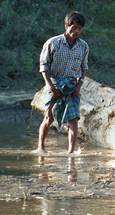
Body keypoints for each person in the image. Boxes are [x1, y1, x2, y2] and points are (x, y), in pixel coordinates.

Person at [36, 11, 89, 154]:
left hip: (72, 85)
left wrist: (79, 84)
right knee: (49, 117)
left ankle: (71, 152)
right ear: (66, 26)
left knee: (73, 120)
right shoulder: (53, 43)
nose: (77, 31)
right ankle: (41, 147)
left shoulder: (83, 46)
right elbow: (44, 67)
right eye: (74, 27)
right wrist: (51, 87)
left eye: (80, 28)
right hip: (54, 83)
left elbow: (84, 67)